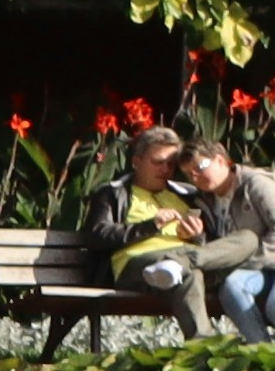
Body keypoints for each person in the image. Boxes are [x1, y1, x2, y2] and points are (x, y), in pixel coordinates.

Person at [182, 123, 275, 347]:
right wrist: (198, 238)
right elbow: (220, 247)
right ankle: (263, 353)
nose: (196, 176)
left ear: (221, 160)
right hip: (258, 272)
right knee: (231, 288)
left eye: (200, 167)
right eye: (189, 174)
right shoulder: (204, 202)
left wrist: (254, 261)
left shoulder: (257, 185)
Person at [83, 126, 209, 338]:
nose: (166, 169)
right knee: (186, 272)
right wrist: (150, 226)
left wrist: (197, 235)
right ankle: (207, 349)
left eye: (171, 164)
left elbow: (209, 239)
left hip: (187, 263)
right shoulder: (114, 193)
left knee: (240, 246)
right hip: (136, 265)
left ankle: (232, 350)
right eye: (158, 162)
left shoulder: (187, 195)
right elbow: (96, 235)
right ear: (136, 161)